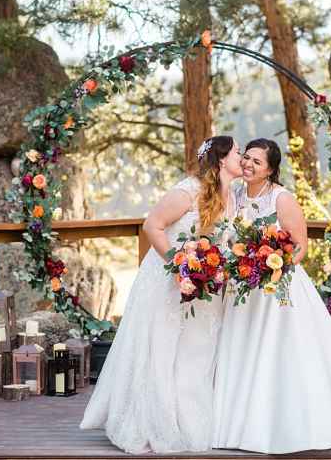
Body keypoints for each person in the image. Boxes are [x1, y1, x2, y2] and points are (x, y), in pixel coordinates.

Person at [80, 136, 242, 453]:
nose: (243, 156)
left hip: (207, 285)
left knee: (197, 353)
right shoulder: (188, 190)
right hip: (169, 280)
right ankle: (155, 421)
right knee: (164, 348)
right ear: (222, 159)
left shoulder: (232, 195)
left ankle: (191, 423)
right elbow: (152, 225)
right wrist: (178, 263)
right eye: (238, 152)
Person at [212, 138, 331, 454]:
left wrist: (274, 268)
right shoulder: (235, 192)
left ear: (270, 169)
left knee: (278, 352)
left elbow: (300, 246)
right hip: (244, 286)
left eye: (256, 162)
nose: (248, 164)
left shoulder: (281, 198)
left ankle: (283, 425)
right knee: (241, 350)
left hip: (277, 288)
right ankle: (237, 424)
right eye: (246, 158)